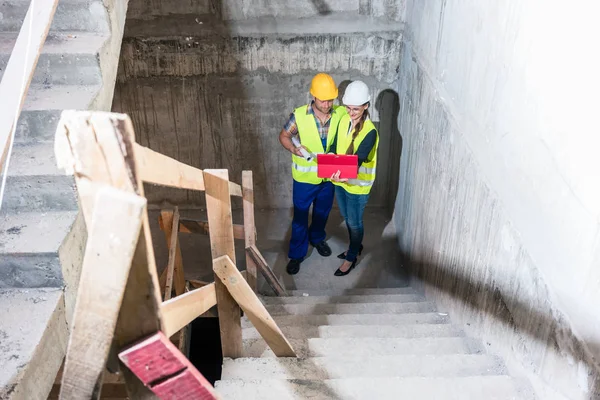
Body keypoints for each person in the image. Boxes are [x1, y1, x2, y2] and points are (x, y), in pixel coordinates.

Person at [279, 73, 348, 275]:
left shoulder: (340, 113)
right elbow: (284, 136)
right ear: (313, 96)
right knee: (300, 217)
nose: (327, 104)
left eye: (330, 100)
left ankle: (317, 238)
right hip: (305, 179)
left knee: (322, 213)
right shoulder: (299, 115)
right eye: (323, 100)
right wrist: (293, 149)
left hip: (329, 177)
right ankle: (297, 254)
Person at [329, 80, 379, 276]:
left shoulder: (370, 132)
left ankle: (351, 257)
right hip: (341, 183)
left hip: (357, 187)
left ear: (366, 105)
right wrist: (331, 162)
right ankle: (355, 247)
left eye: (356, 109)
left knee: (354, 223)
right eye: (348, 108)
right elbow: (335, 146)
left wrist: (342, 174)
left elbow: (357, 162)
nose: (350, 112)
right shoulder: (343, 120)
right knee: (347, 217)